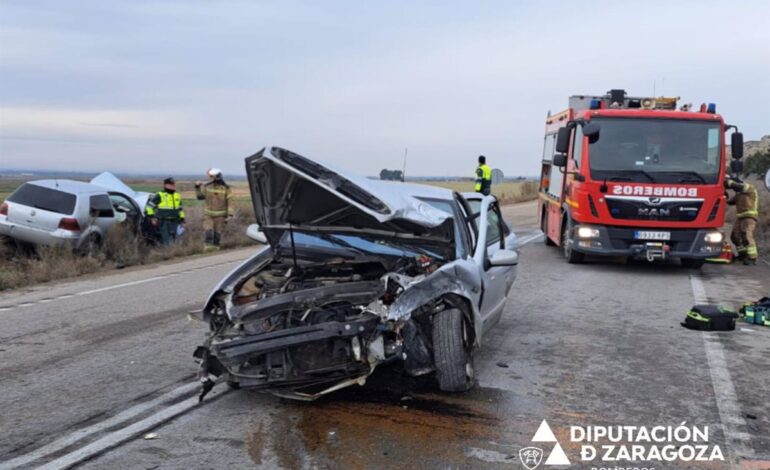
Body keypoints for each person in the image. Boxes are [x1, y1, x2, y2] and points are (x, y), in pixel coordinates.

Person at [196, 168, 234, 248]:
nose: (211, 178)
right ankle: (208, 248)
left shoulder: (226, 188)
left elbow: (230, 201)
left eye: (212, 177)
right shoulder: (207, 186)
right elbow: (200, 197)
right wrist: (197, 188)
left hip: (220, 216)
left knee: (217, 234)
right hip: (208, 215)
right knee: (208, 232)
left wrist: (230, 215)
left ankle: (216, 248)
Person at [725, 177, 759, 265]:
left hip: (749, 217)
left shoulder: (749, 188)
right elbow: (729, 202)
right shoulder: (738, 195)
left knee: (747, 236)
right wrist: (725, 195)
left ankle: (752, 258)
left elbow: (738, 186)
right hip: (740, 218)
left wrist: (728, 182)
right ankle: (743, 255)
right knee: (734, 237)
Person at [145, 177, 185, 245]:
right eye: (170, 184)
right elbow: (149, 207)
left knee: (178, 240)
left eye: (173, 184)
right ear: (165, 185)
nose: (173, 186)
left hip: (176, 221)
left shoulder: (177, 195)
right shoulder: (160, 195)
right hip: (164, 222)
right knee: (167, 241)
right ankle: (168, 253)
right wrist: (152, 217)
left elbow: (180, 209)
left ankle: (177, 251)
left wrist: (182, 219)